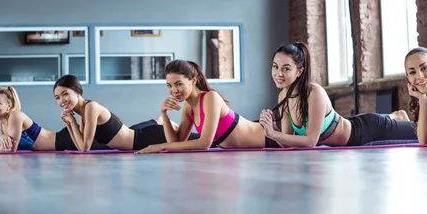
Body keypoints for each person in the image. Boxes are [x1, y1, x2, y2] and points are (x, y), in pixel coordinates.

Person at [258, 42, 419, 148]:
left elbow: (310, 141)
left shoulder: (314, 93)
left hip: (367, 131)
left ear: (299, 71)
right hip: (352, 125)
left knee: (423, 132)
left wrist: (274, 134)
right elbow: (288, 144)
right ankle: (395, 116)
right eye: (275, 67)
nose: (278, 73)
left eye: (286, 68)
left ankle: (396, 118)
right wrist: (272, 130)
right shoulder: (283, 97)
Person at [135, 60, 281, 154]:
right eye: (169, 85)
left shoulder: (210, 97)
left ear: (193, 81)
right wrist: (164, 113)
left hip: (272, 137)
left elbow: (205, 143)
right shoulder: (188, 108)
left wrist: (160, 146)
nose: (174, 90)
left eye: (179, 84)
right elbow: (176, 143)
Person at [53, 75, 186, 152]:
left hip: (146, 139)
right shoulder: (83, 113)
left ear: (77, 92)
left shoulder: (90, 107)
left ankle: (164, 123)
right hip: (140, 138)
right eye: (58, 98)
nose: (62, 100)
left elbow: (85, 147)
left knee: (201, 141)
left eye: (65, 94)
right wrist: (70, 123)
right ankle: (161, 122)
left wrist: (72, 122)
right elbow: (79, 145)